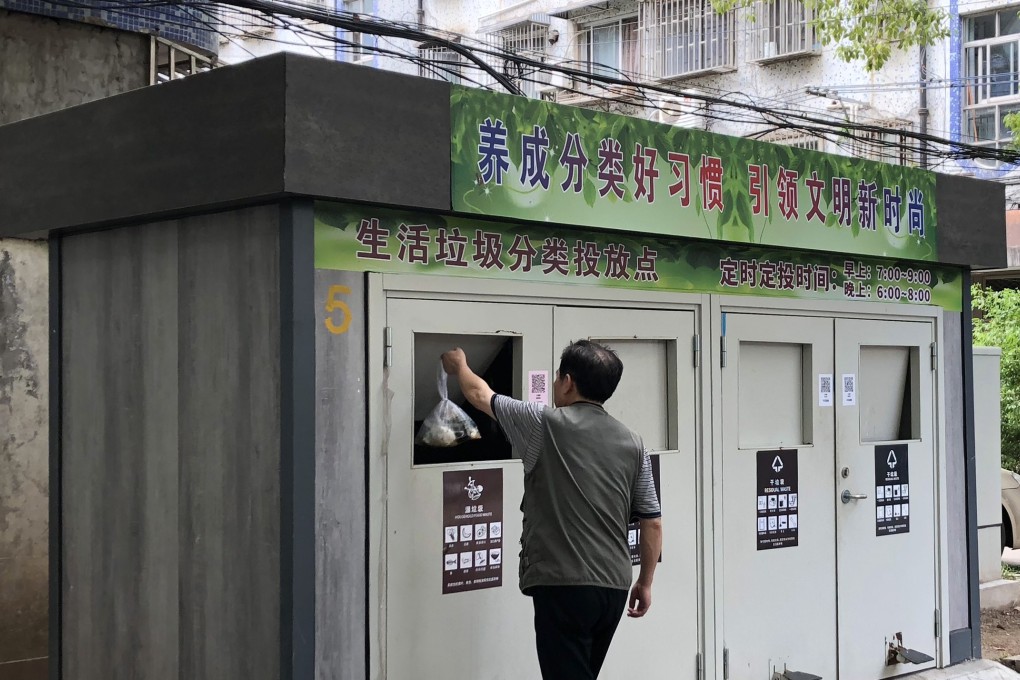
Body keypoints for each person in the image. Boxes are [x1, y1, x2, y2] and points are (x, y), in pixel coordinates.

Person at [441, 340, 663, 680]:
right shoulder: (633, 442)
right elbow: (652, 521)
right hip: (614, 588)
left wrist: (459, 365)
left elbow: (478, 395)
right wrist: (645, 582)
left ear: (568, 382)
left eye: (558, 377)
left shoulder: (542, 423)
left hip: (564, 586)